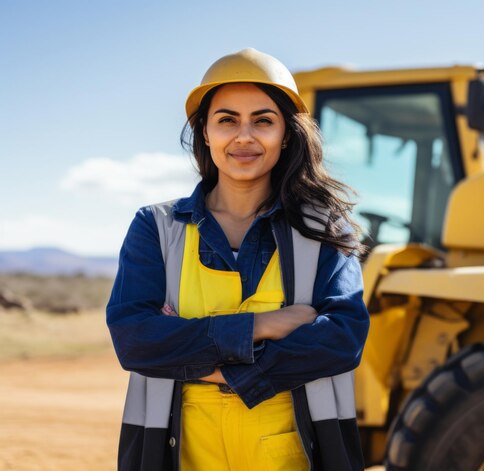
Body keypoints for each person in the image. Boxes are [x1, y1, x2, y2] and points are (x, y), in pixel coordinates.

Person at [106, 48, 370, 471]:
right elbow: (135, 338)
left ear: (286, 134)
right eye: (227, 120)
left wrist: (215, 365)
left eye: (263, 121)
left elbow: (341, 337)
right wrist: (262, 326)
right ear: (205, 133)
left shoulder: (325, 230)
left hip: (292, 453)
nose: (244, 136)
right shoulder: (155, 227)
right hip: (181, 451)